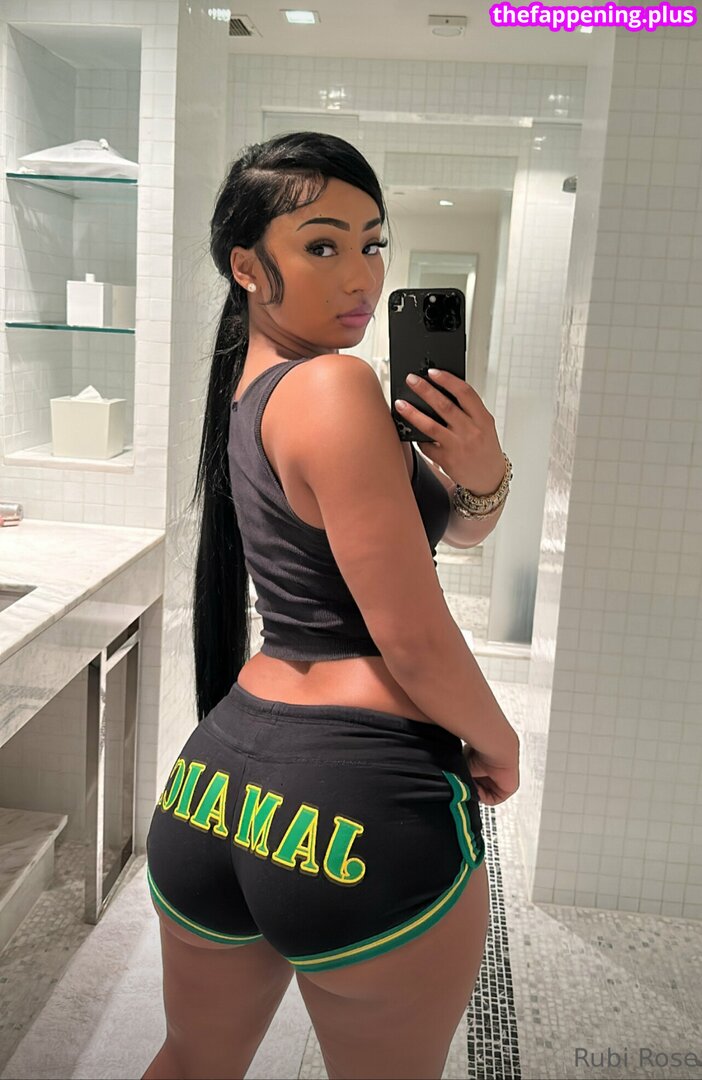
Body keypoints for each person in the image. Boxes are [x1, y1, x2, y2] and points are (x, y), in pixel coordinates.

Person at [143, 131, 520, 1080]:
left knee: (190, 1063)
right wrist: (499, 741)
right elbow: (413, 639)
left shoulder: (251, 389)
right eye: (322, 245)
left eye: (373, 242)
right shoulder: (336, 385)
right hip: (357, 799)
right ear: (246, 266)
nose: (361, 275)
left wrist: (479, 473)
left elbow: (450, 533)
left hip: (216, 790)